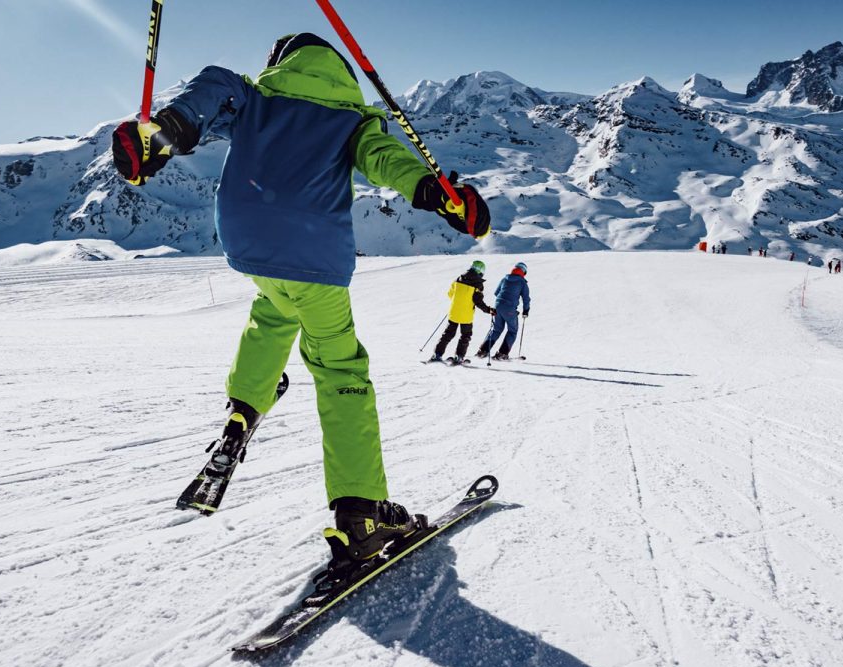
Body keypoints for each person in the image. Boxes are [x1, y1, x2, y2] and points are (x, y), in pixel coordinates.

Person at [110, 33, 491, 563]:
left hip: (248, 241)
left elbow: (215, 89)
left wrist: (165, 132)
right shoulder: (354, 120)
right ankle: (361, 515)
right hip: (315, 256)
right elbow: (384, 160)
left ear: (280, 62)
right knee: (341, 370)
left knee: (274, 308)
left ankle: (245, 405)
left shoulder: (256, 97)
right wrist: (435, 194)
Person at [430, 260, 494, 364]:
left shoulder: (458, 279)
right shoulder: (478, 284)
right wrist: (489, 310)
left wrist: (458, 302)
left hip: (454, 312)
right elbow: (478, 301)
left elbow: (450, 294)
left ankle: (437, 355)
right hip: (466, 316)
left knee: (447, 335)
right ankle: (459, 357)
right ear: (481, 271)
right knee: (465, 336)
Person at [476, 262, 531, 360]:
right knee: (512, 331)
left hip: (497, 306)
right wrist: (525, 311)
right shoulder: (522, 282)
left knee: (496, 329)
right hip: (510, 309)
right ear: (523, 272)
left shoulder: (505, 279)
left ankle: (483, 351)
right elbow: (526, 299)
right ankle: (502, 353)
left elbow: (497, 292)